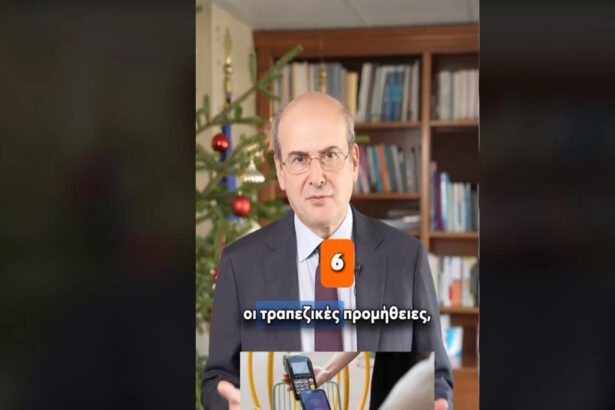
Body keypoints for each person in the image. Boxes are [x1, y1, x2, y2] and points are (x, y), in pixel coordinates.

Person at [201, 92, 452, 409]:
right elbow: (217, 380)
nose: (317, 178)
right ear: (280, 171)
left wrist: (438, 401)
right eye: (299, 159)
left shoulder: (407, 257)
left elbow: (435, 375)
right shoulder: (240, 265)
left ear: (354, 162)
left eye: (330, 155)